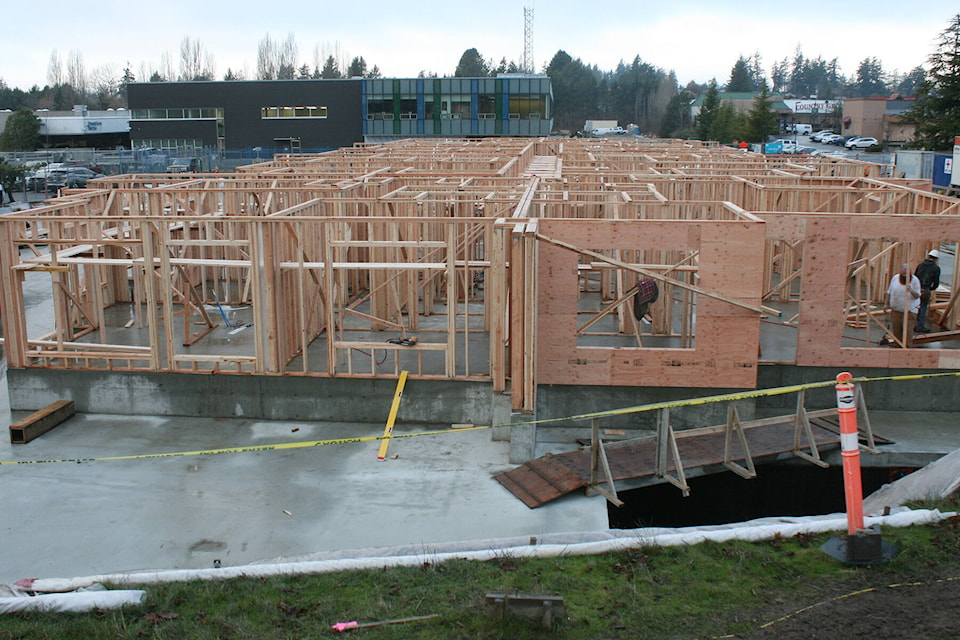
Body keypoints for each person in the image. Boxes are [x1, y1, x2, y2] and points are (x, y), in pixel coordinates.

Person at [883, 263, 920, 347]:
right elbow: (889, 292)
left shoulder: (915, 280)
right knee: (897, 335)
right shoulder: (895, 278)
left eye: (906, 274)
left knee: (907, 336)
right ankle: (897, 352)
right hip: (896, 311)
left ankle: (906, 353)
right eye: (903, 274)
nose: (904, 277)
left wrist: (911, 290)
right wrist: (886, 304)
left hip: (909, 312)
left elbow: (917, 295)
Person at [914, 249, 941, 333]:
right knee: (923, 307)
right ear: (936, 259)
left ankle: (912, 324)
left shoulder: (921, 265)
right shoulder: (936, 268)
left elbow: (915, 277)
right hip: (926, 289)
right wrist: (932, 288)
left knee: (914, 307)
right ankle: (920, 326)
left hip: (917, 289)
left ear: (928, 256)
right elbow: (936, 282)